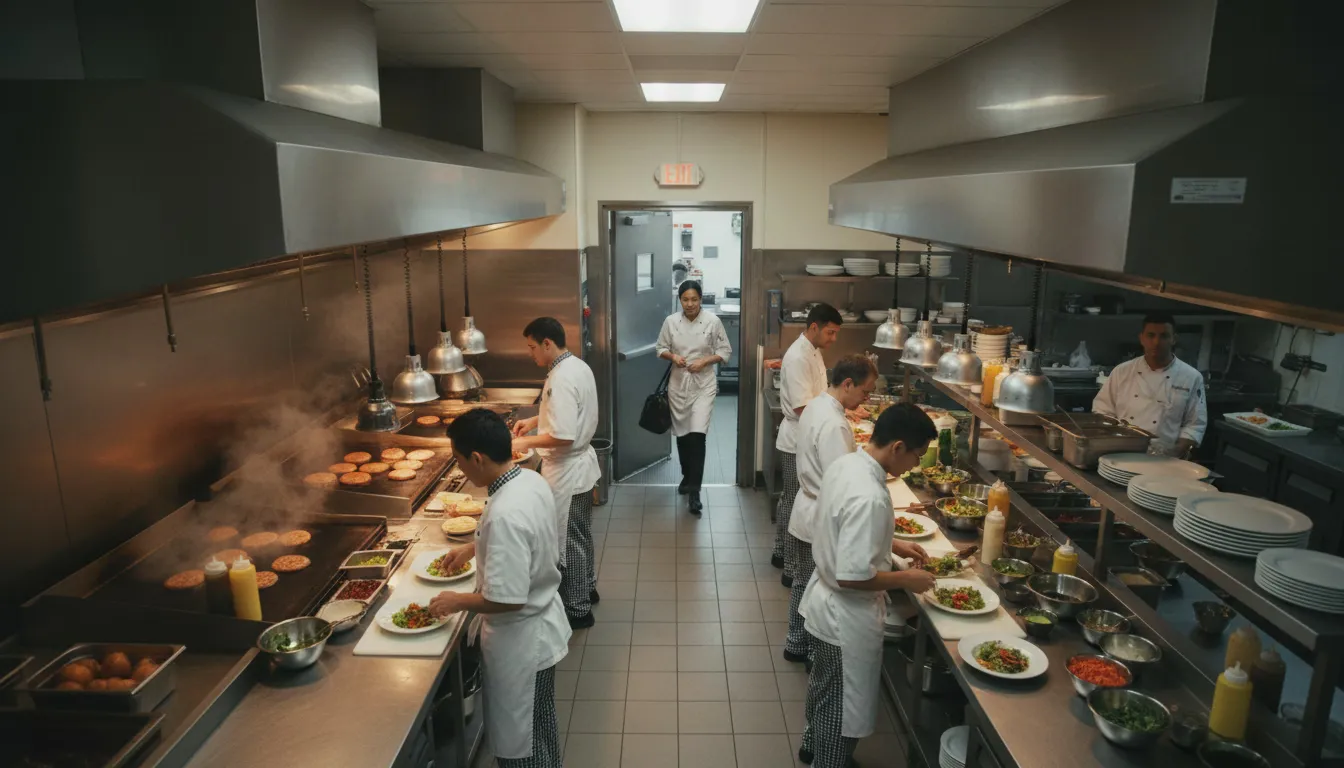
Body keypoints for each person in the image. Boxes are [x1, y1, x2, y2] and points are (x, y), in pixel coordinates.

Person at [798, 403, 938, 768]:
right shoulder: (870, 496)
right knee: (841, 710)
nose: (916, 465)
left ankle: (811, 747)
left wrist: (891, 542)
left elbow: (844, 526)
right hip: (844, 618)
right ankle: (828, 763)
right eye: (917, 456)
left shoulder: (848, 464)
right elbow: (852, 576)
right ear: (897, 447)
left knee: (824, 691)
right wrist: (907, 578)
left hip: (824, 605)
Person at [429, 409, 571, 768]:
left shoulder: (506, 511)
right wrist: (474, 546)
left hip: (521, 644)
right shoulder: (527, 479)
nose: (460, 468)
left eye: (459, 460)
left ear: (477, 458)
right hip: (539, 629)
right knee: (539, 728)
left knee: (522, 744)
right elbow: (528, 540)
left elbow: (507, 600)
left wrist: (457, 600)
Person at [782, 354, 877, 667]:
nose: (866, 398)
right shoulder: (835, 423)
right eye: (865, 391)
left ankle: (795, 644)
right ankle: (811, 651)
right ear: (847, 384)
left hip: (806, 509)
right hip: (819, 516)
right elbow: (841, 482)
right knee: (815, 589)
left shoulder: (818, 405)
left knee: (802, 582)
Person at [512, 317, 602, 629]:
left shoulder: (562, 377)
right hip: (579, 469)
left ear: (547, 343)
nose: (531, 353)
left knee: (569, 542)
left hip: (568, 472)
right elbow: (568, 415)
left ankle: (578, 610)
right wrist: (534, 422)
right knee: (581, 534)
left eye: (532, 347)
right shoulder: (576, 366)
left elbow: (563, 436)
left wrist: (523, 442)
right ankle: (587, 589)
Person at [773, 303, 843, 587]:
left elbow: (818, 396)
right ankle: (791, 569)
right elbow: (803, 407)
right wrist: (834, 418)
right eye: (830, 332)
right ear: (814, 327)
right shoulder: (798, 356)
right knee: (795, 502)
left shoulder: (813, 350)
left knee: (789, 499)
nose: (833, 339)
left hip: (806, 434)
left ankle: (780, 553)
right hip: (797, 440)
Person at [655, 280, 733, 515]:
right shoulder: (671, 322)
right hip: (678, 385)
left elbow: (725, 351)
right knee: (682, 434)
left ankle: (695, 491)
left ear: (701, 299)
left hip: (703, 385)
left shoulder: (712, 322)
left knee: (697, 435)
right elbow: (660, 348)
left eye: (694, 299)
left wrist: (705, 361)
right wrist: (673, 357)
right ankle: (686, 476)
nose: (690, 304)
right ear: (680, 300)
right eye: (685, 299)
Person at [1092, 312, 1208, 457]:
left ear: (1174, 339)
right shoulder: (1122, 371)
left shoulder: (1191, 377)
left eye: (1164, 336)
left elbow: (1195, 425)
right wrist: (1113, 442)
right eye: (1151, 335)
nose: (1157, 342)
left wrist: (1177, 451)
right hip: (1121, 454)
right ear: (1142, 338)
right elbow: (1102, 411)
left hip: (1166, 457)